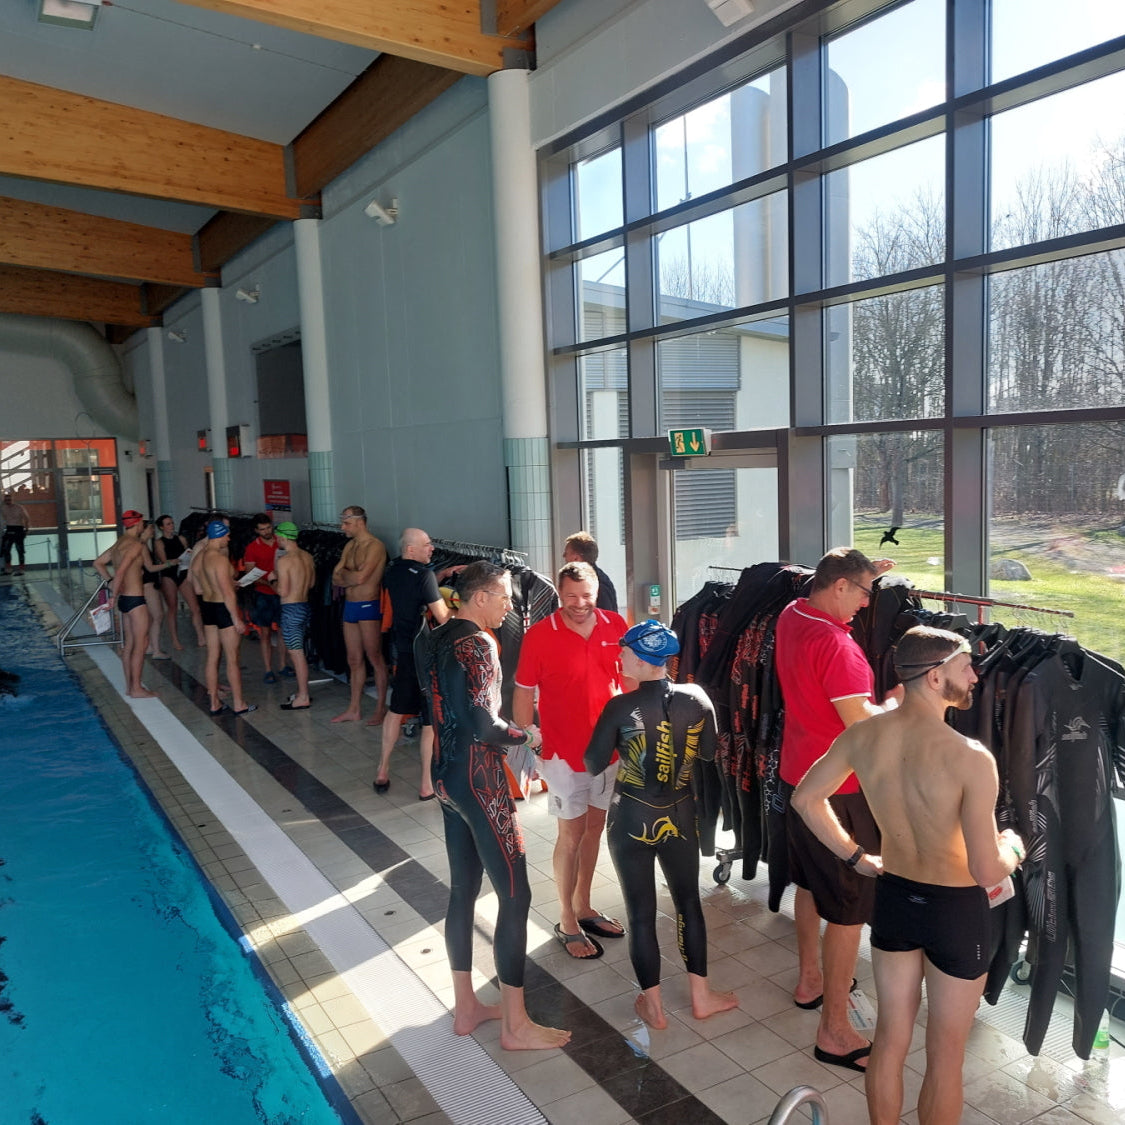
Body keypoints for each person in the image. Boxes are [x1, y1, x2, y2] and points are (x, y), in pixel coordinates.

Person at [792, 626, 1026, 1125]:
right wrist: (1013, 847)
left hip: (895, 898)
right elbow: (986, 870)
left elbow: (805, 798)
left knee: (889, 1043)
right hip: (954, 911)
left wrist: (856, 857)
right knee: (945, 1057)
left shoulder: (862, 734)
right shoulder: (969, 757)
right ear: (936, 677)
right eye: (966, 667)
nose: (974, 676)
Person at [417, 560, 570, 1051]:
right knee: (515, 895)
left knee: (463, 890)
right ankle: (516, 1025)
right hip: (480, 782)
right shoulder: (480, 644)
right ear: (479, 597)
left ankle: (467, 1008)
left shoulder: (434, 637)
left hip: (445, 777)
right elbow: (486, 726)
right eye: (504, 596)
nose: (510, 605)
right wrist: (531, 736)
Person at [774, 546, 897, 1073]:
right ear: (840, 585)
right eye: (863, 594)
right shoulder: (839, 648)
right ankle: (836, 1031)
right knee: (848, 910)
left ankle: (810, 980)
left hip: (796, 775)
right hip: (839, 792)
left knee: (808, 884)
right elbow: (861, 728)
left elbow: (830, 574)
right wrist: (895, 703)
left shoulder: (791, 614)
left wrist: (868, 570)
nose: (865, 606)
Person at [585, 620, 738, 1029]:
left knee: (640, 913)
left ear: (639, 658)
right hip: (680, 815)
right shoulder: (698, 698)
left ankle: (653, 1008)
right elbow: (707, 752)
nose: (619, 656)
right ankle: (701, 997)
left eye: (624, 651)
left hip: (631, 817)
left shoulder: (619, 707)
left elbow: (592, 762)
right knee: (689, 903)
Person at [513, 560, 629, 959]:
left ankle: (583, 905)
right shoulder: (540, 636)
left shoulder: (616, 625)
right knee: (570, 835)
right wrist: (531, 738)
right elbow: (524, 691)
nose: (579, 605)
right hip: (563, 753)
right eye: (570, 597)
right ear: (559, 594)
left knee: (594, 829)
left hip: (608, 750)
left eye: (587, 597)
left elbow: (628, 681)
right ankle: (566, 919)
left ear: (597, 593)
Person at [374, 528, 451, 799]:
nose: (432, 549)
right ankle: (426, 784)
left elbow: (410, 593)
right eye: (427, 545)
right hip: (424, 655)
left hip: (402, 650)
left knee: (396, 711)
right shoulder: (424, 575)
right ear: (411, 549)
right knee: (429, 722)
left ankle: (382, 770)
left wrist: (435, 578)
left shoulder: (392, 570)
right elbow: (442, 617)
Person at [191, 519, 256, 717]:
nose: (229, 539)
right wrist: (236, 618)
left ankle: (214, 703)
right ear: (219, 535)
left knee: (212, 657)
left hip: (208, 607)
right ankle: (239, 704)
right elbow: (228, 593)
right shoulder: (218, 559)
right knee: (232, 659)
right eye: (227, 535)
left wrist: (224, 583)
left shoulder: (198, 558)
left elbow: (198, 588)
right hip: (223, 609)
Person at [330, 506, 389, 724]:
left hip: (368, 605)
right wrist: (349, 576)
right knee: (353, 659)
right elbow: (335, 577)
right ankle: (353, 708)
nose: (342, 526)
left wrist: (347, 575)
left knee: (374, 657)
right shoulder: (349, 546)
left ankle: (381, 708)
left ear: (359, 522)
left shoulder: (376, 546)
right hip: (350, 606)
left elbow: (362, 578)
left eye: (346, 522)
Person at [93, 509, 155, 699]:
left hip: (125, 600)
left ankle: (130, 687)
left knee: (129, 645)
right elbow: (121, 572)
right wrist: (112, 593)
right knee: (141, 644)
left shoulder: (119, 543)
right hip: (135, 599)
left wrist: (111, 582)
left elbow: (98, 563)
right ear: (138, 523)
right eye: (143, 523)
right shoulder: (135, 545)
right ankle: (136, 688)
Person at [240, 513, 289, 683]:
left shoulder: (280, 541)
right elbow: (249, 573)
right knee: (265, 633)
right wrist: (270, 584)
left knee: (284, 631)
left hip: (282, 592)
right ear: (256, 531)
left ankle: (283, 665)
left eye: (268, 527)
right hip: (264, 594)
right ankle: (268, 669)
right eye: (262, 529)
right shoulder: (252, 548)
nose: (267, 531)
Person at [272, 522, 316, 710]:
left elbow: (282, 591)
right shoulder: (307, 556)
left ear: (282, 537)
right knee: (300, 653)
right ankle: (301, 691)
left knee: (296, 655)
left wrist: (271, 580)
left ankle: (303, 696)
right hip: (305, 606)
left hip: (291, 609)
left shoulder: (284, 561)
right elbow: (312, 583)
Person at [154, 514, 205, 648]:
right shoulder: (159, 542)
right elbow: (164, 561)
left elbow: (189, 554)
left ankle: (201, 637)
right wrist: (174, 561)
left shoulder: (181, 539)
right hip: (169, 574)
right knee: (173, 608)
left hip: (182, 572)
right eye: (168, 524)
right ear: (162, 527)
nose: (171, 526)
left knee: (195, 607)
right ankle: (175, 640)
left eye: (172, 523)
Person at [140, 520, 176, 659]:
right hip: (148, 584)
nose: (152, 531)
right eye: (150, 529)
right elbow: (150, 568)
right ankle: (156, 650)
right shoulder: (142, 546)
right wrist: (169, 563)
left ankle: (149, 646)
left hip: (146, 583)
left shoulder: (141, 545)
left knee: (150, 617)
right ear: (143, 530)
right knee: (158, 615)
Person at [563, 531, 617, 612]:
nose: (563, 556)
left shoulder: (599, 585)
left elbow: (605, 619)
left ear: (576, 558)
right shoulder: (599, 579)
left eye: (566, 553)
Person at [1, 491, 31, 575]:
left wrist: (27, 529)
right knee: (6, 549)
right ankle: (8, 568)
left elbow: (27, 519)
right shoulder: (3, 508)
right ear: (4, 500)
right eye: (6, 499)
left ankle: (21, 569)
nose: (8, 500)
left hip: (18, 529)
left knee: (20, 550)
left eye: (9, 499)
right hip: (9, 528)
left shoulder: (19, 507)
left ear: (13, 499)